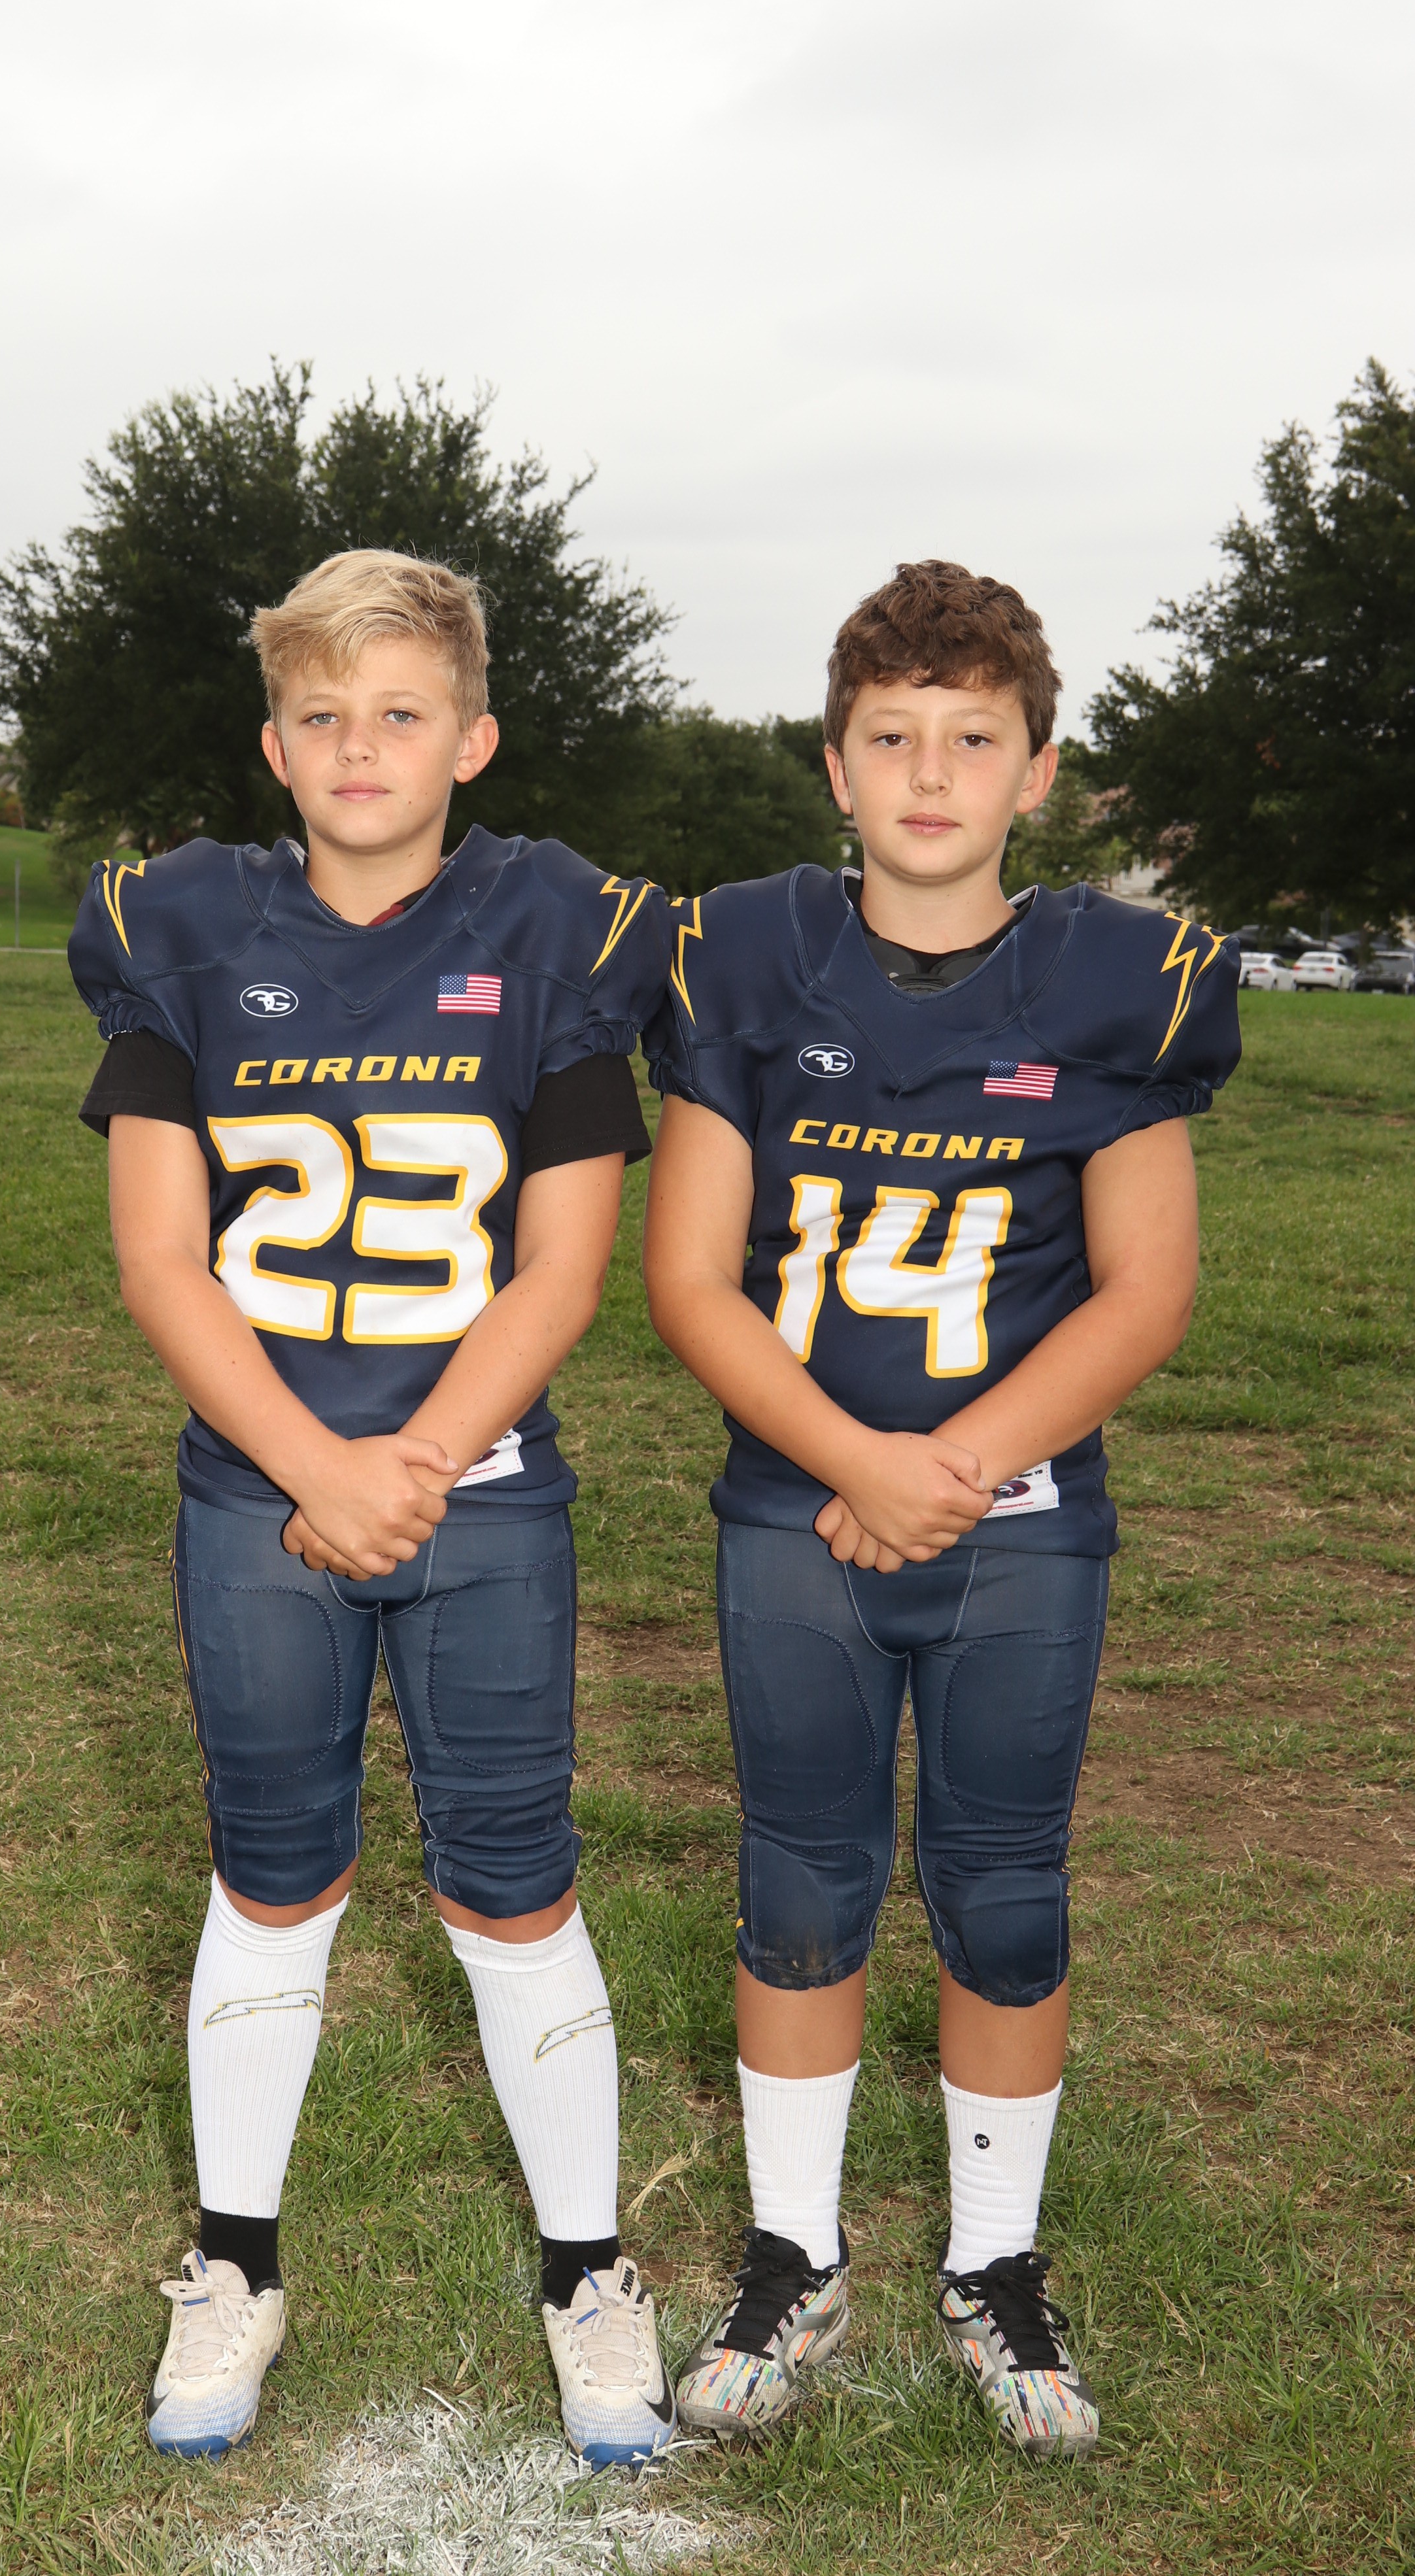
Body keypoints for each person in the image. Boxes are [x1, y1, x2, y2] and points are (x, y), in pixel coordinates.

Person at [67, 550, 676, 2467]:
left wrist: (407, 1466)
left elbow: (563, 1267)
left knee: (514, 1873)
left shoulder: (554, 928)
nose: (359, 746)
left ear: (471, 739)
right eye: (321, 713)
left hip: (477, 1496)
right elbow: (163, 1259)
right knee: (272, 1870)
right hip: (262, 1490)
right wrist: (316, 1466)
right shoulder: (182, 931)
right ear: (274, 745)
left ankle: (588, 2270)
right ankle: (235, 2262)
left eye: (401, 711)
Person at [642, 560, 1239, 2460]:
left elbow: (1147, 1289)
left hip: (1019, 1520)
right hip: (795, 1512)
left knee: (1002, 1884)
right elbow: (687, 1278)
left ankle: (994, 2263)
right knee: (802, 1876)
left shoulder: (1118, 982)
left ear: (1037, 772)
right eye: (891, 736)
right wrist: (858, 1462)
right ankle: (793, 2253)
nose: (928, 773)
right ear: (834, 764)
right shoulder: (745, 960)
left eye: (971, 738)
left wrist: (945, 1468)